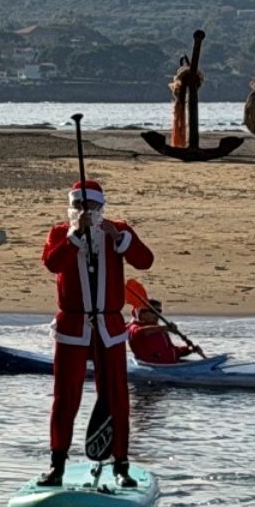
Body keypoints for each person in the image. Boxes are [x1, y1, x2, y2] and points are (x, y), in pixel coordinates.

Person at [40, 180, 155, 487]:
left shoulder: (117, 230)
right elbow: (52, 263)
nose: (85, 212)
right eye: (79, 207)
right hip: (72, 326)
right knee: (66, 398)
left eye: (90, 207)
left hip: (109, 326)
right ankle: (57, 464)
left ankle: (121, 463)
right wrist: (76, 237)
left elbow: (145, 260)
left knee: (116, 396)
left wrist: (122, 240)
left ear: (101, 208)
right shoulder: (60, 233)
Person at [127, 301, 201, 366]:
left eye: (159, 311)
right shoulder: (134, 327)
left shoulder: (159, 330)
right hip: (153, 367)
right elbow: (140, 332)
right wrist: (165, 328)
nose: (158, 315)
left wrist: (189, 350)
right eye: (154, 311)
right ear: (142, 313)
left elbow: (172, 351)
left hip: (171, 366)